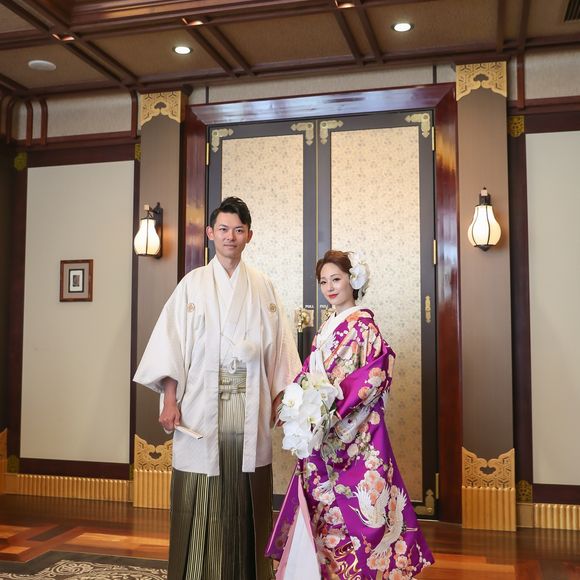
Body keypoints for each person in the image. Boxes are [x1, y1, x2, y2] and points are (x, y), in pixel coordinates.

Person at [134, 196, 301, 580]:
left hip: (249, 401)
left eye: (238, 230)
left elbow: (281, 348)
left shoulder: (264, 286)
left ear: (249, 236)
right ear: (210, 233)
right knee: (200, 492)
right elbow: (171, 348)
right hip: (200, 404)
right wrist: (170, 400)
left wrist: (281, 397)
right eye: (223, 229)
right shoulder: (192, 286)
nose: (230, 237)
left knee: (245, 492)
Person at [267, 250, 434, 579]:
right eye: (323, 282)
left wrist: (326, 414)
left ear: (352, 281)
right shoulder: (328, 326)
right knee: (319, 505)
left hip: (349, 433)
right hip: (322, 428)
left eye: (336, 279)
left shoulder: (363, 327)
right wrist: (297, 404)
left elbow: (369, 379)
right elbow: (310, 373)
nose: (329, 287)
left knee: (353, 509)